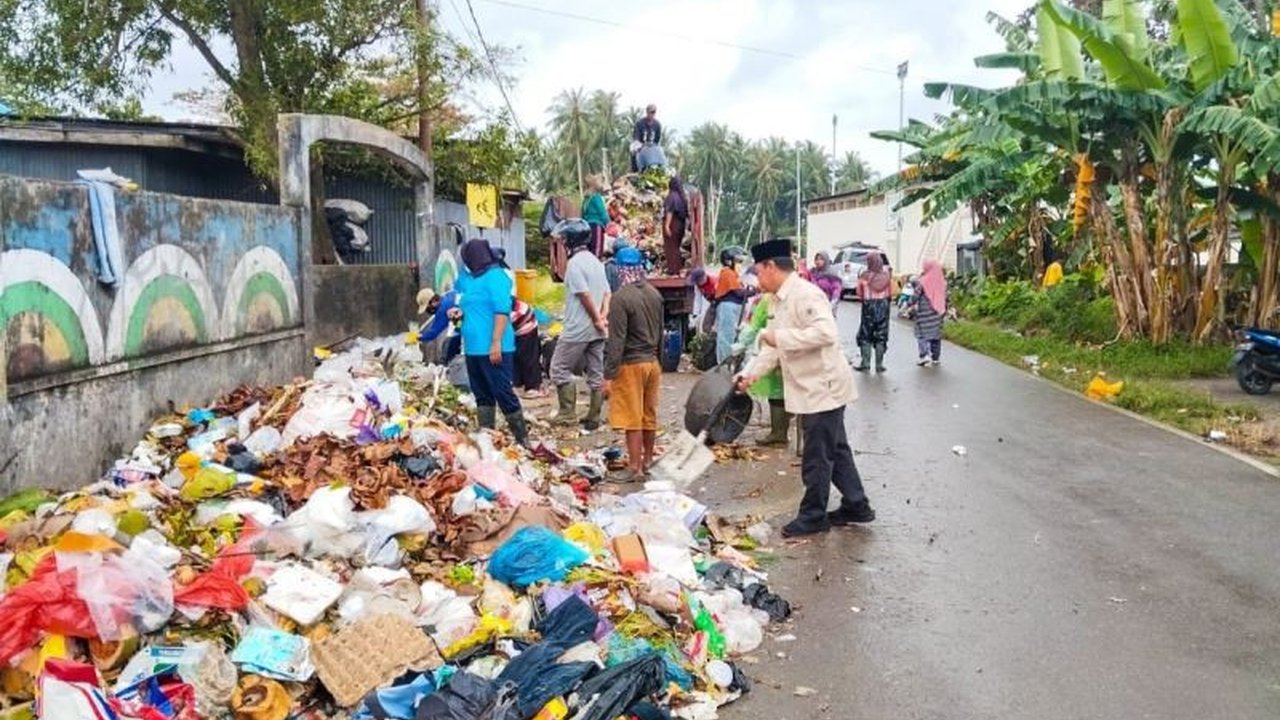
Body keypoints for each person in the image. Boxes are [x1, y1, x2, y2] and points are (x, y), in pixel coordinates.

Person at [736, 238, 874, 538]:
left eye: (758, 272)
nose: (757, 279)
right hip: (809, 387)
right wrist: (749, 375)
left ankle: (813, 515)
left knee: (817, 455)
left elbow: (826, 333)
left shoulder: (806, 294)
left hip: (823, 387)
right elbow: (772, 349)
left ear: (771, 267)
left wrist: (780, 338)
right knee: (835, 449)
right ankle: (856, 504)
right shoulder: (774, 300)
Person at [457, 239, 529, 445]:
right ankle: (488, 441)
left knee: (502, 392)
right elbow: (476, 309)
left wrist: (496, 342)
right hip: (473, 349)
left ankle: (523, 440)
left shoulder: (496, 276)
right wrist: (459, 313)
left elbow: (501, 311)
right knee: (482, 395)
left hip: (494, 348)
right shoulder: (473, 280)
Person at [603, 247, 664, 482]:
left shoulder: (620, 298)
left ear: (620, 269)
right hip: (652, 363)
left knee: (632, 417)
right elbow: (659, 332)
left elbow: (616, 341)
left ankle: (635, 467)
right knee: (648, 414)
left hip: (630, 365)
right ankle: (648, 461)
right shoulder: (653, 293)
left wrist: (609, 375)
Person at [549, 220, 612, 430]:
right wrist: (602, 318)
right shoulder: (596, 262)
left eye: (565, 239)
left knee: (558, 368)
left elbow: (584, 295)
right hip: (597, 330)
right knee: (595, 370)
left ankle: (567, 414)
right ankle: (594, 416)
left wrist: (595, 318)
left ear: (571, 241)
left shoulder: (575, 264)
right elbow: (607, 293)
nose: (563, 243)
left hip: (578, 328)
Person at [735, 291, 789, 446]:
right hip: (791, 353)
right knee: (787, 392)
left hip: (772, 350)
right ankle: (783, 429)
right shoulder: (789, 296)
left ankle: (779, 434)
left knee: (777, 392)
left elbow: (754, 326)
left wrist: (741, 342)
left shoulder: (766, 300)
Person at [854, 253, 893, 373]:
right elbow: (891, 293)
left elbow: (859, 293)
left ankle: (865, 363)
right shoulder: (887, 276)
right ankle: (879, 365)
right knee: (881, 335)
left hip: (868, 307)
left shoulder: (864, 276)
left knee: (866, 335)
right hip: (884, 307)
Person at [714, 247, 747, 364]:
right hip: (728, 306)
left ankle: (731, 364)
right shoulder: (727, 273)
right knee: (727, 337)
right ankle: (724, 364)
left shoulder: (733, 274)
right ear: (729, 261)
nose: (740, 264)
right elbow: (738, 292)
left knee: (734, 336)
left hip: (733, 306)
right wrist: (754, 290)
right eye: (738, 261)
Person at [913, 259, 947, 366]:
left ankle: (924, 355)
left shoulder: (922, 281)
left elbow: (916, 295)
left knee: (921, 333)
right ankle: (935, 357)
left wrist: (910, 304)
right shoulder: (943, 282)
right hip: (938, 312)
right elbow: (947, 297)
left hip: (924, 313)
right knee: (936, 335)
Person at [415, 288, 461, 364]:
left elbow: (433, 333)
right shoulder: (448, 295)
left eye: (427, 308)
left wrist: (417, 337)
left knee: (448, 352)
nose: (428, 311)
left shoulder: (443, 309)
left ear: (433, 302)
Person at [512, 297, 546, 398]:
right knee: (515, 354)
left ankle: (533, 387)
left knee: (528, 356)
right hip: (515, 319)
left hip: (524, 321)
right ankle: (518, 382)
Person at [662, 176, 689, 275]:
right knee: (676, 247)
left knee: (671, 247)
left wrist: (667, 226)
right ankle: (678, 269)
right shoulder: (682, 198)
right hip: (680, 225)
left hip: (673, 224)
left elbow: (670, 211)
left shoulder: (671, 196)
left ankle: (673, 270)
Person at [583, 174, 610, 257]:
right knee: (597, 250)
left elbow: (582, 214)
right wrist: (608, 223)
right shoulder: (596, 197)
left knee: (590, 249)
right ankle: (596, 267)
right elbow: (602, 212)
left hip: (587, 226)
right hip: (596, 225)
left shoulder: (586, 199)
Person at [631, 104, 663, 172]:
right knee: (633, 149)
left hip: (651, 149)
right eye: (651, 112)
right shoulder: (639, 123)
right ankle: (635, 170)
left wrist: (653, 146)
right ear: (647, 112)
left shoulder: (657, 124)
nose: (652, 114)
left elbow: (657, 139)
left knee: (660, 150)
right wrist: (641, 145)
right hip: (641, 147)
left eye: (654, 112)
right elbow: (636, 138)